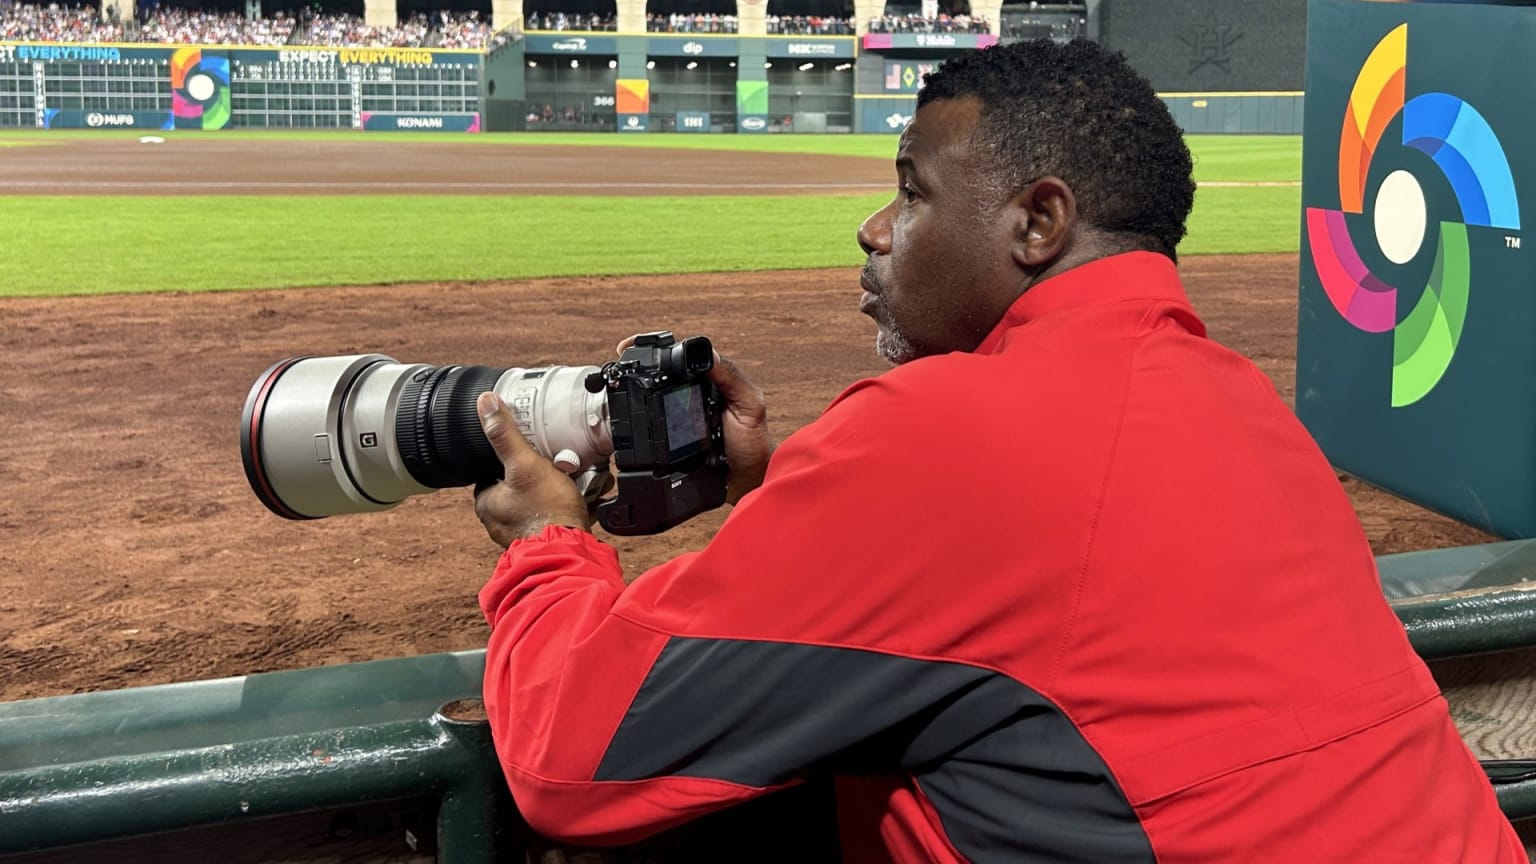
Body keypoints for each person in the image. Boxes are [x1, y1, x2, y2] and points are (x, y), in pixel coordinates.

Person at [468, 39, 1525, 863]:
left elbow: (573, 763)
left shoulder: (937, 426)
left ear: (1038, 223)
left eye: (914, 191)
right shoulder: (1239, 400)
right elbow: (1027, 598)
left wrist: (546, 546)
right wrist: (771, 495)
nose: (876, 229)